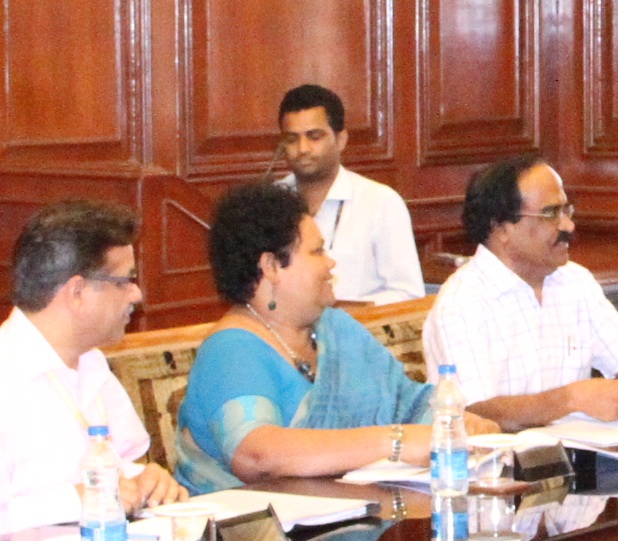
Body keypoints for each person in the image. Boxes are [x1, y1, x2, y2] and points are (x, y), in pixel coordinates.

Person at [0, 201, 184, 541]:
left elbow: (121, 467)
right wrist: (71, 502)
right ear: (78, 293)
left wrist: (146, 480)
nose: (137, 294)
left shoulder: (90, 364)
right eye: (125, 281)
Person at [176, 181, 433, 490]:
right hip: (263, 533)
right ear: (271, 267)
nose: (330, 262)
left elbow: (410, 405)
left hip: (363, 517)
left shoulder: (336, 330)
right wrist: (395, 443)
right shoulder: (231, 351)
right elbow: (257, 455)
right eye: (317, 251)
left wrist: (455, 421)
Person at [421, 155, 618, 428]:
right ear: (501, 228)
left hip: (578, 459)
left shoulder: (575, 281)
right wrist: (570, 399)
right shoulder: (462, 303)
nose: (567, 226)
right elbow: (476, 414)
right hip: (500, 465)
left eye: (566, 210)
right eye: (550, 214)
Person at [277, 84, 423, 304]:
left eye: (314, 137)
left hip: (359, 332)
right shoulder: (270, 202)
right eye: (292, 139)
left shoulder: (380, 202)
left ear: (341, 139)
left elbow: (409, 295)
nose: (302, 148)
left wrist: (342, 316)